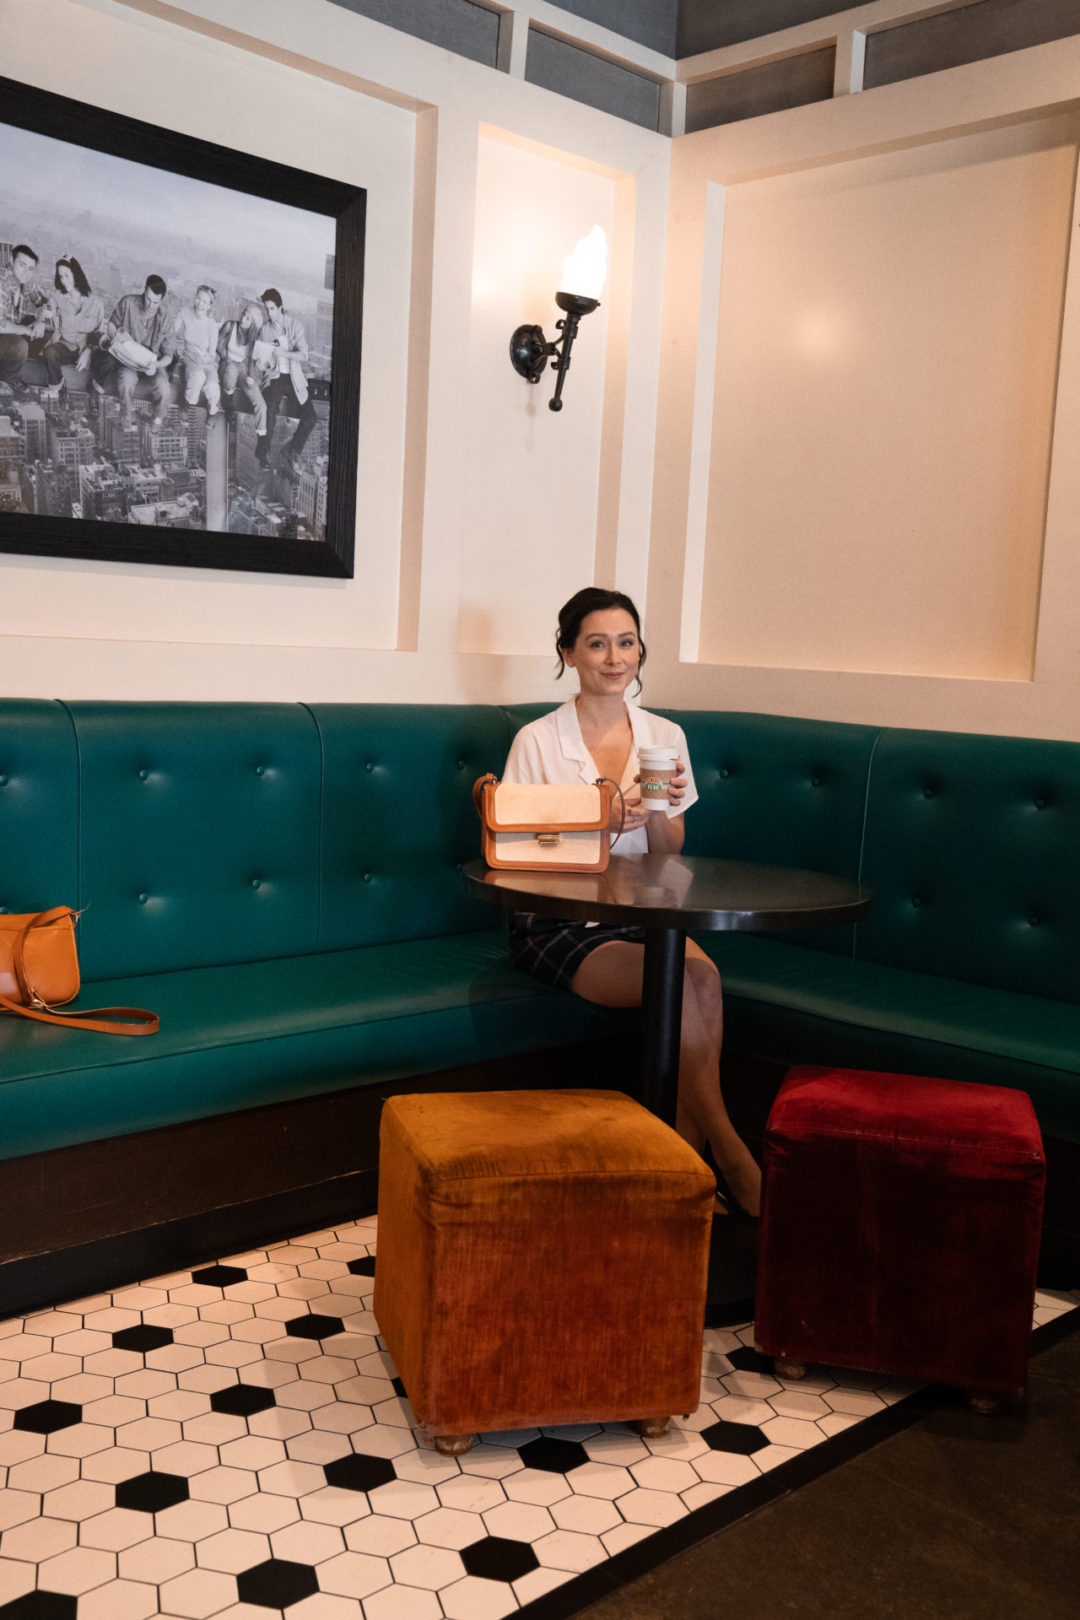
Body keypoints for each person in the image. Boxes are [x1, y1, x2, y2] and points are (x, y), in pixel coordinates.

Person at [502, 586, 761, 1218]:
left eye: (627, 642)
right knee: (678, 981)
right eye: (597, 643)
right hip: (559, 921)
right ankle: (729, 1157)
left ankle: (681, 1178)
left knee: (701, 976)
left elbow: (669, 852)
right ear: (568, 652)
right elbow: (514, 852)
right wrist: (605, 819)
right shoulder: (537, 741)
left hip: (646, 911)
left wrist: (664, 808)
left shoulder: (664, 735)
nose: (615, 658)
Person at [92, 273, 173, 429]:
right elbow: (112, 324)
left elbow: (169, 355)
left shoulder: (167, 318)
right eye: (148, 299)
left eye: (156, 302)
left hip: (152, 364)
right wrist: (115, 336)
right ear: (144, 291)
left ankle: (157, 419)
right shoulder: (128, 302)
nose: (150, 305)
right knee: (126, 382)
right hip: (129, 360)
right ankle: (126, 417)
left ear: (162, 300)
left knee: (164, 387)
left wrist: (156, 365)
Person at [253, 287, 316, 473]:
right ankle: (262, 454)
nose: (269, 313)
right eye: (267, 309)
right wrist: (261, 364)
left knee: (310, 417)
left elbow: (304, 355)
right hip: (274, 377)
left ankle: (292, 450)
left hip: (294, 378)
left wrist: (284, 353)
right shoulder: (264, 330)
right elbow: (260, 359)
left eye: (272, 308)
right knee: (270, 412)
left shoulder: (294, 325)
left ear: (280, 307)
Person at [43, 256, 105, 389]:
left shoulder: (96, 303)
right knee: (50, 352)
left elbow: (100, 332)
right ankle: (57, 386)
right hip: (67, 348)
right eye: (61, 277)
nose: (64, 281)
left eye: (67, 275)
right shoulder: (58, 297)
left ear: (76, 275)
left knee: (108, 361)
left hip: (89, 349)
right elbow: (47, 310)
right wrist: (46, 313)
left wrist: (88, 351)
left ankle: (95, 388)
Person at [0, 243, 49, 396]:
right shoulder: (2, 282)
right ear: (11, 261)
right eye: (22, 265)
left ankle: (10, 365)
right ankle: (8, 378)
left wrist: (40, 322)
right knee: (20, 346)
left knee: (47, 328)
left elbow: (43, 302)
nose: (26, 272)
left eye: (30, 268)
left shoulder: (24, 281)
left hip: (8, 331)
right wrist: (27, 330)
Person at [218, 295, 268, 443]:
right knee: (231, 371)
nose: (243, 317)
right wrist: (226, 358)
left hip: (242, 370)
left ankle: (261, 436)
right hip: (226, 364)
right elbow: (217, 344)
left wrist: (251, 378)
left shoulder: (254, 340)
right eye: (244, 314)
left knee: (260, 402)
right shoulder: (230, 326)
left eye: (248, 318)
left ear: (253, 325)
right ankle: (228, 403)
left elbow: (252, 361)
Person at [172, 284, 221, 415]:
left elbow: (212, 354)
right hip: (190, 359)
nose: (200, 304)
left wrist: (205, 358)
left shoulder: (212, 325)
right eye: (198, 298)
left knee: (213, 388)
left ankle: (211, 412)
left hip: (206, 362)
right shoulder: (186, 313)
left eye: (205, 301)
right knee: (198, 377)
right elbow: (172, 332)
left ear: (210, 305)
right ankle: (187, 405)